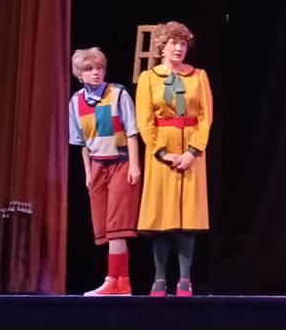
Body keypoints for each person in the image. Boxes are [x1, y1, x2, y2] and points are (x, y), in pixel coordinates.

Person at [135, 21, 213, 297]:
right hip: (161, 153)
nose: (178, 48)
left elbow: (205, 117)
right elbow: (145, 120)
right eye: (173, 43)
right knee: (162, 216)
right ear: (162, 47)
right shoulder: (149, 78)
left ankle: (184, 280)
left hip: (192, 152)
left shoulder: (198, 76)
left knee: (187, 217)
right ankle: (159, 279)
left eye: (182, 43)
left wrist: (192, 152)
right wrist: (163, 152)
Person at [68, 47, 142, 296]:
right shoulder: (76, 101)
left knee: (117, 225)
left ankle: (113, 281)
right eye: (89, 69)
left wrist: (134, 165)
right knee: (105, 227)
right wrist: (88, 173)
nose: (95, 73)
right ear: (79, 74)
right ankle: (122, 283)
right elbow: (81, 143)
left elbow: (132, 132)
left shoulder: (117, 93)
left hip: (121, 162)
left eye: (99, 68)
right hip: (98, 165)